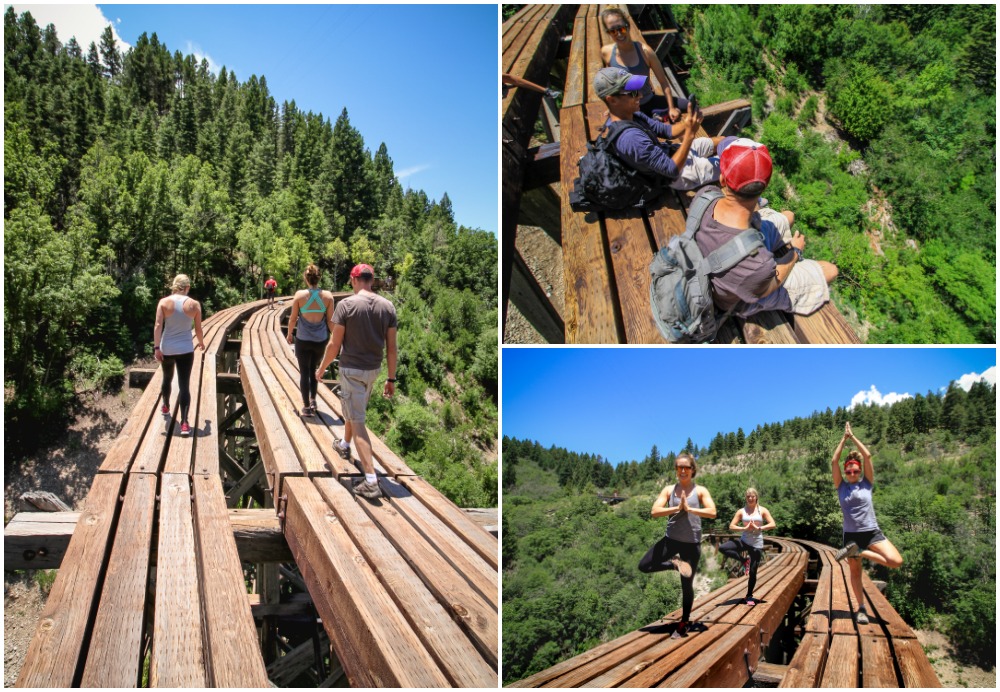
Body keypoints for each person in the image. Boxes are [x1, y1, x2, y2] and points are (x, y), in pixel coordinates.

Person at [694, 138, 839, 318]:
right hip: (734, 299)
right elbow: (769, 286)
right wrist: (795, 253)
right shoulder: (759, 264)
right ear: (764, 187)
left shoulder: (705, 196)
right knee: (830, 270)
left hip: (718, 259)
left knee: (787, 217)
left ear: (722, 179)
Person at [315, 264, 397, 501]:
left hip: (351, 370)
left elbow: (334, 345)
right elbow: (391, 348)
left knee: (358, 420)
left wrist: (321, 369)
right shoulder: (387, 306)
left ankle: (371, 480)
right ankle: (344, 443)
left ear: (353, 280)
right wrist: (391, 378)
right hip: (373, 371)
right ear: (371, 280)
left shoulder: (347, 305)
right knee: (354, 411)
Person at [594, 66, 721, 191]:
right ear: (612, 100)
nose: (640, 95)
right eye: (632, 92)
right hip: (676, 175)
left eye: (637, 88)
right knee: (737, 160)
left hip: (670, 153)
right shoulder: (630, 138)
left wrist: (687, 123)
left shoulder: (631, 114)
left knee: (724, 140)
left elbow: (666, 131)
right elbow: (671, 170)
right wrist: (690, 134)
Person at [832, 421, 904, 625]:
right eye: (849, 471)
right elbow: (834, 460)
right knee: (856, 573)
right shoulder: (841, 487)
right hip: (851, 536)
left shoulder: (867, 483)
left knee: (895, 561)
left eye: (855, 471)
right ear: (845, 472)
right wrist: (842, 439)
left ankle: (858, 551)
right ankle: (861, 608)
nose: (852, 474)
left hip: (871, 532)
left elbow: (868, 456)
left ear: (860, 471)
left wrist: (852, 436)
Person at [638, 453, 717, 638]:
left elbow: (712, 512)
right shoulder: (668, 490)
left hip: (691, 544)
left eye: (686, 467)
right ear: (676, 470)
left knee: (686, 585)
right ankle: (675, 564)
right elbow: (655, 511)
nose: (682, 470)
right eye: (679, 467)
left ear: (692, 470)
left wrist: (690, 509)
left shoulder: (700, 491)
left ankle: (684, 622)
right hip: (671, 541)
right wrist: (677, 508)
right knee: (644, 565)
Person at [600, 8, 685, 120]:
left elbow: (663, 82)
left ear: (628, 26)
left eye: (622, 28)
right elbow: (611, 82)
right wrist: (613, 106)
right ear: (608, 32)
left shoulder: (645, 52)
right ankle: (655, 117)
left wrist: (671, 108)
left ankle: (657, 115)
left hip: (647, 100)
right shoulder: (606, 52)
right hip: (626, 107)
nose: (619, 34)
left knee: (688, 104)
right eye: (613, 31)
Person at [153, 274, 205, 437]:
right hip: (186, 349)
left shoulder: (163, 302)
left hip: (167, 348)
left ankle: (166, 406)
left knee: (167, 378)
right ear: (187, 287)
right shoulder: (194, 305)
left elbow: (158, 326)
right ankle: (184, 423)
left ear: (174, 286)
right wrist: (201, 342)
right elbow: (198, 329)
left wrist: (156, 348)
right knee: (184, 385)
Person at [286, 264, 335, 417]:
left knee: (304, 372)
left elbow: (293, 318)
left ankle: (306, 407)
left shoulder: (299, 295)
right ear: (319, 278)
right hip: (320, 340)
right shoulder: (328, 297)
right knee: (314, 369)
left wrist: (289, 334)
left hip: (303, 339)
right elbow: (330, 321)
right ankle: (313, 400)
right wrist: (336, 337)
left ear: (305, 279)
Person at [719, 488, 776, 607]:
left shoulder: (762, 510)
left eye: (752, 496)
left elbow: (772, 524)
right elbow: (731, 526)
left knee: (753, 572)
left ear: (756, 497)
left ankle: (749, 595)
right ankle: (744, 560)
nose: (750, 498)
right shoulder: (741, 511)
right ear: (746, 498)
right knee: (723, 548)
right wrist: (743, 529)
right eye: (748, 496)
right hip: (743, 541)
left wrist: (759, 528)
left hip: (756, 544)